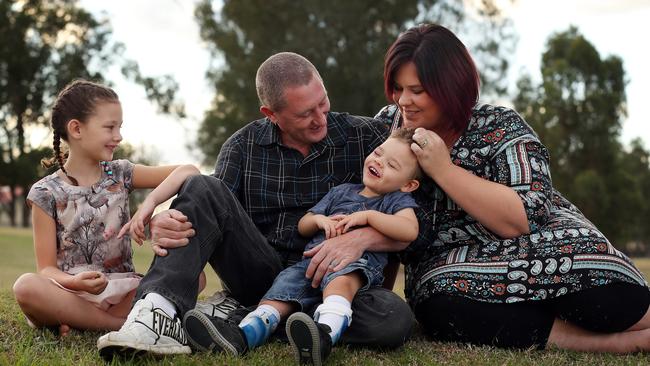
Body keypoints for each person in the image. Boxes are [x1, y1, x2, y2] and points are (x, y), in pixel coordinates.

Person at [97, 52, 414, 359]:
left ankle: (243, 321)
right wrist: (174, 218)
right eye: (305, 114)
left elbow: (418, 225)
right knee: (202, 185)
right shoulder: (241, 146)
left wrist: (362, 237)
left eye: (323, 103)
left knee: (392, 318)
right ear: (271, 114)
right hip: (261, 273)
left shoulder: (370, 139)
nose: (321, 119)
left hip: (339, 279)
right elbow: (211, 210)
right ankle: (157, 313)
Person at [374, 23, 650, 352]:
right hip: (449, 267)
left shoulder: (499, 126)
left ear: (450, 87)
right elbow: (370, 201)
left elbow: (523, 218)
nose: (404, 100)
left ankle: (634, 324)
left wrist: (444, 170)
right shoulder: (387, 127)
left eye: (416, 90)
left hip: (541, 242)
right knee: (439, 300)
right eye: (398, 88)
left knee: (609, 291)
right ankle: (616, 344)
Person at [181, 128, 420, 365]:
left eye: (392, 165)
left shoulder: (395, 200)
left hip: (353, 267)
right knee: (281, 292)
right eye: (378, 153)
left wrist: (369, 217)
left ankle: (324, 333)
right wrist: (319, 220)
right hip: (308, 265)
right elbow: (304, 225)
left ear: (408, 185)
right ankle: (243, 334)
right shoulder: (342, 191)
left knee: (341, 281)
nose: (379, 162)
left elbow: (409, 230)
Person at [12, 80, 200, 337]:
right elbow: (46, 269)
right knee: (26, 286)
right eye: (110, 127)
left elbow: (189, 171)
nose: (118, 136)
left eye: (119, 127)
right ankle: (117, 325)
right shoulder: (45, 193)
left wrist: (150, 203)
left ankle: (82, 322)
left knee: (194, 276)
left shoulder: (121, 173)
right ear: (77, 129)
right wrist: (74, 282)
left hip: (124, 291)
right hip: (72, 292)